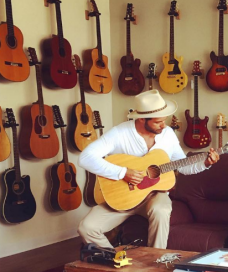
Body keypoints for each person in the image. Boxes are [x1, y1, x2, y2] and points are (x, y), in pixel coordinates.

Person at [78, 89, 219, 249]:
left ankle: (155, 262)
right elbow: (85, 158)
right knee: (86, 228)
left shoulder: (167, 134)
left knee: (161, 210)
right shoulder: (119, 133)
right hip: (123, 196)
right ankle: (116, 260)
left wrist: (205, 163)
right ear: (141, 119)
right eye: (158, 122)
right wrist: (123, 173)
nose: (163, 125)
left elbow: (182, 165)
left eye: (164, 120)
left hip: (154, 195)